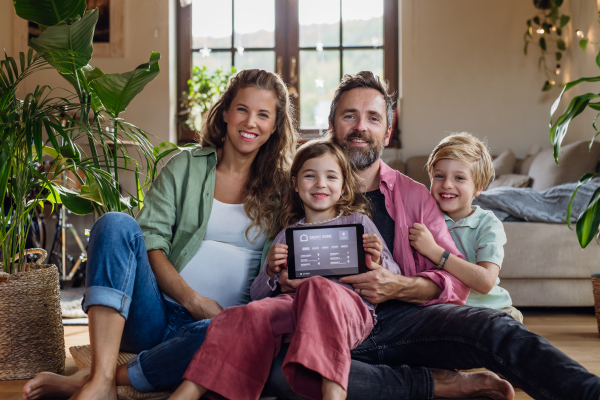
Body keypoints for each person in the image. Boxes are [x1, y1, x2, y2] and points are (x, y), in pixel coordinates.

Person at [265, 71, 600, 400]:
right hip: (325, 327)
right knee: (282, 373)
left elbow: (452, 284)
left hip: (407, 321)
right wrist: (279, 277)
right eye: (349, 116)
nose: (360, 127)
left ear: (387, 131)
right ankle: (438, 385)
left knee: (496, 328)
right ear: (331, 124)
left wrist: (399, 286)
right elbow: (270, 274)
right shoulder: (301, 189)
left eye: (373, 118)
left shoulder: (414, 195)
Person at [22, 69, 297, 400]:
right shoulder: (185, 167)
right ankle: (103, 382)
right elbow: (151, 242)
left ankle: (91, 379)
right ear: (225, 113)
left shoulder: (285, 189)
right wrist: (193, 300)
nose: (250, 122)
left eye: (263, 114)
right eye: (242, 109)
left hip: (218, 327)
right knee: (115, 223)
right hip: (153, 314)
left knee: (226, 338)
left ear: (276, 126)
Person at [169, 139, 400, 400]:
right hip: (293, 307)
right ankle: (187, 392)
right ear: (295, 184)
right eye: (310, 175)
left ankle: (334, 392)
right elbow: (258, 295)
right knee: (243, 313)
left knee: (317, 286)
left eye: (331, 176)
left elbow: (395, 275)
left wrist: (378, 258)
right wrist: (270, 272)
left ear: (344, 186)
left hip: (346, 311)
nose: (320, 183)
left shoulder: (359, 223)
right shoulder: (288, 234)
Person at [409, 132, 523, 322]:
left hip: (492, 310)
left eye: (459, 178)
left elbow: (486, 281)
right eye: (439, 176)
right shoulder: (422, 220)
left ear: (479, 187)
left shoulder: (488, 224)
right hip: (446, 313)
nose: (447, 184)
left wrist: (435, 252)